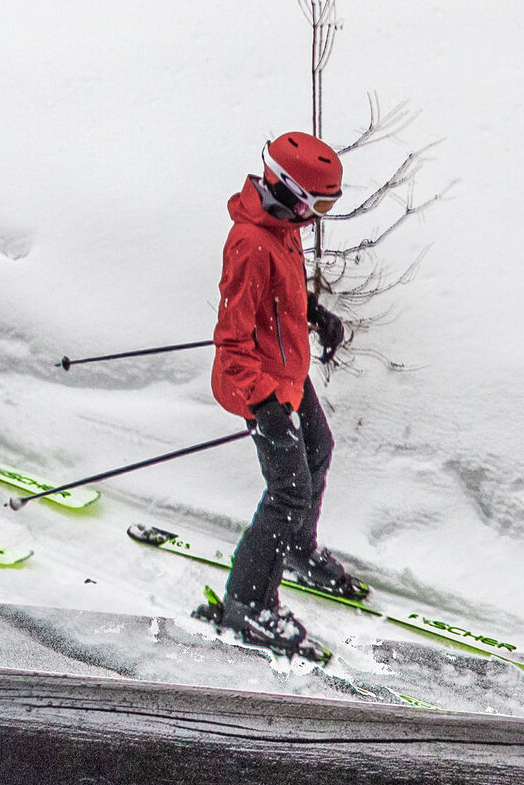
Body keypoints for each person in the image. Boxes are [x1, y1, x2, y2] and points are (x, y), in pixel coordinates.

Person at [198, 131, 364, 654]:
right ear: (292, 192)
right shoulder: (250, 242)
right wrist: (264, 406)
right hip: (260, 382)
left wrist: (314, 313)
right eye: (319, 204)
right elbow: (231, 340)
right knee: (288, 490)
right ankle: (246, 604)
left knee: (318, 450)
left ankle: (294, 549)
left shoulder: (283, 225)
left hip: (288, 371)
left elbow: (281, 294)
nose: (319, 216)